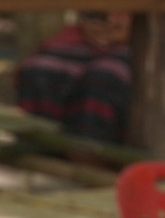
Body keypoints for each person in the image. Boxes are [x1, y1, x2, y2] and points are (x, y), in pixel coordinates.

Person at [16, 12, 132, 144]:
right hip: (86, 39)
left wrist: (132, 30)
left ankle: (91, 152)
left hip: (144, 41)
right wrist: (90, 23)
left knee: (102, 78)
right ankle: (44, 146)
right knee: (37, 69)